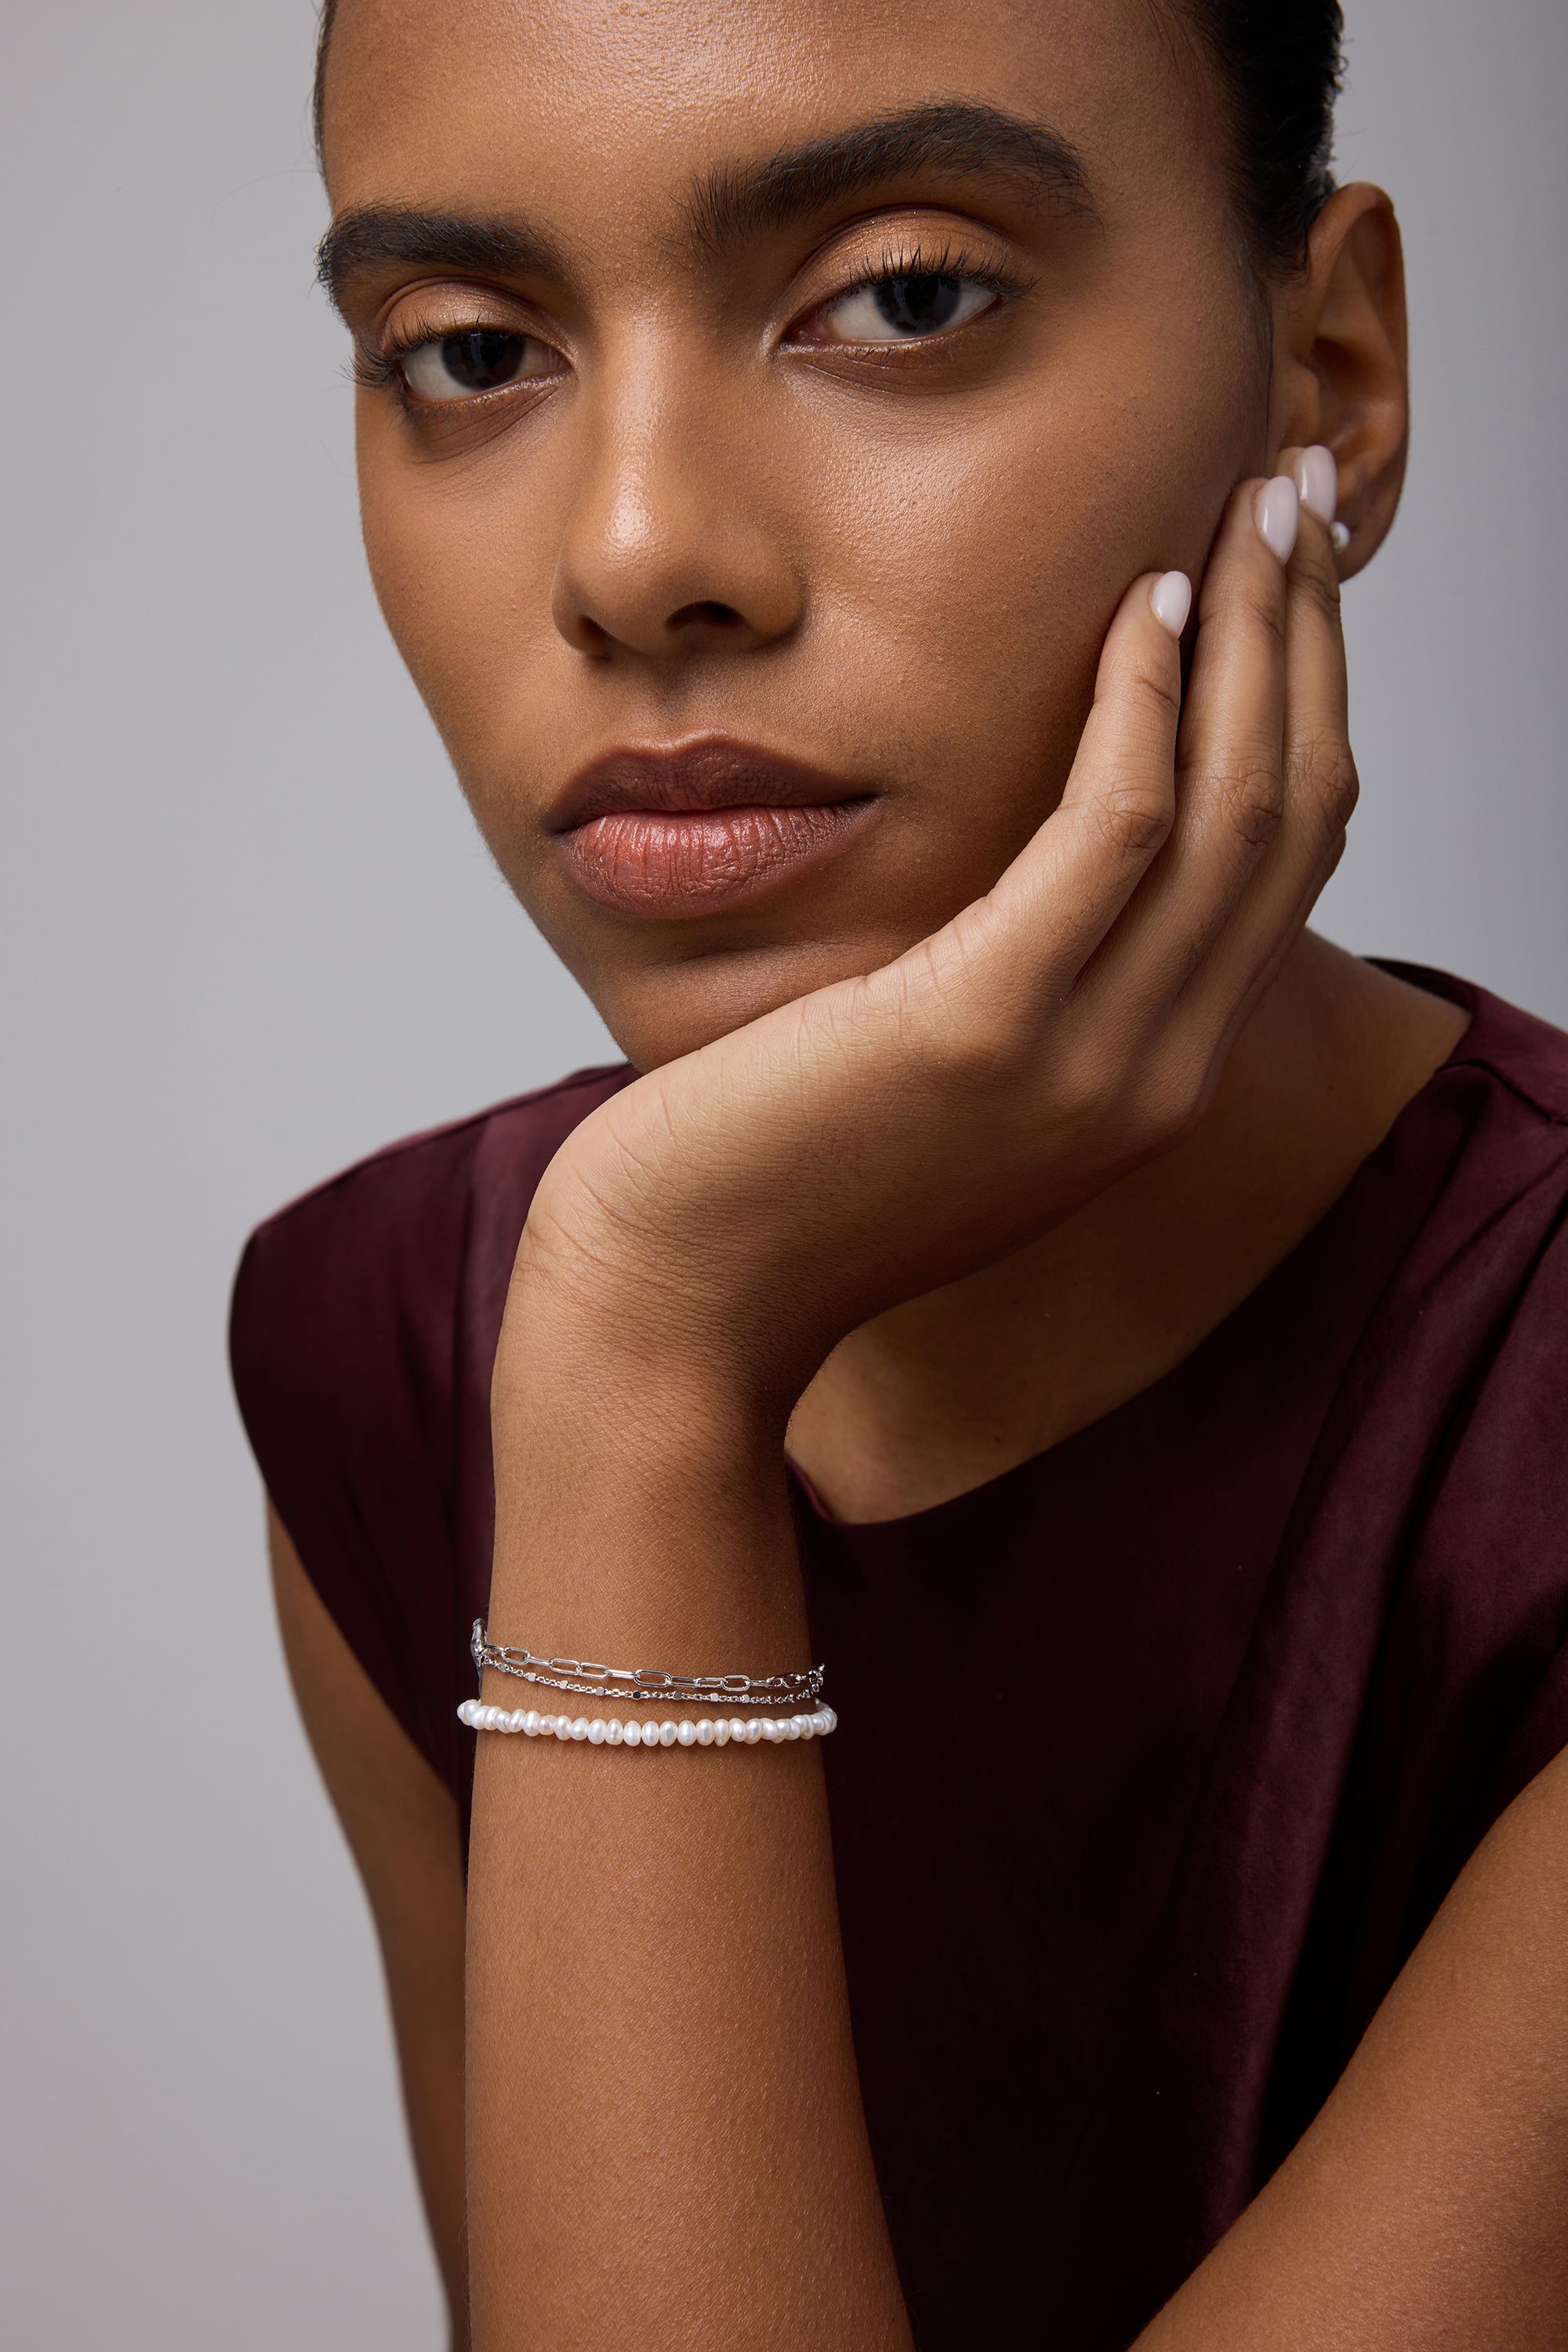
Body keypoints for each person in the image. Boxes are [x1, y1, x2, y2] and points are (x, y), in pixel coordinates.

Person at [230, 1, 1568, 2344]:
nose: (638, 555)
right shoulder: (386, 1340)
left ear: (1329, 372)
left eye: (909, 295)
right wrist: (640, 1360)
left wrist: (644, 1338)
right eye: (466, 351)